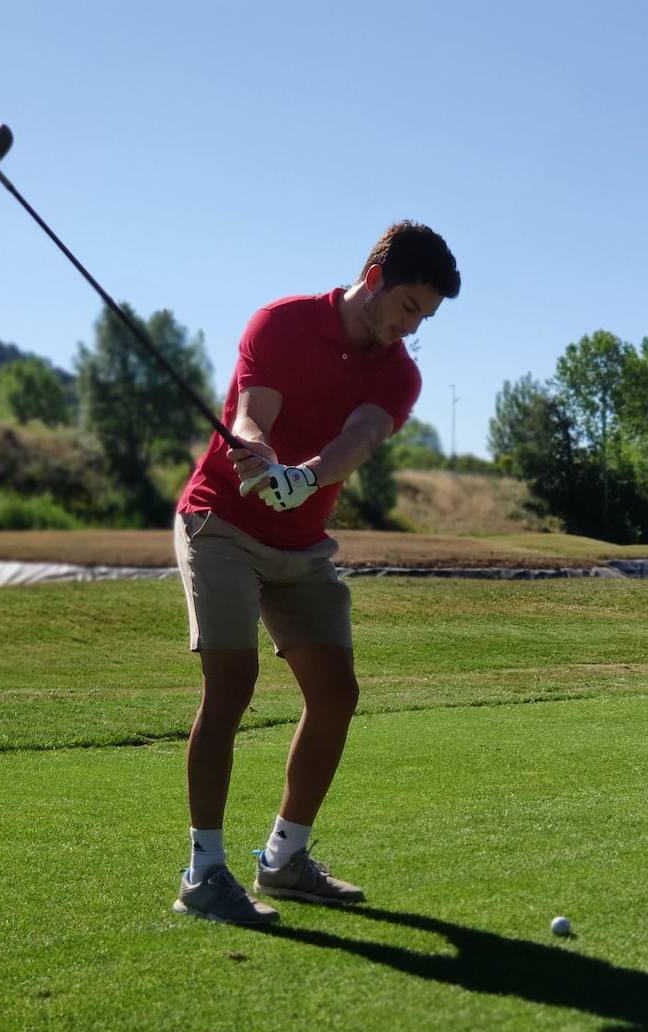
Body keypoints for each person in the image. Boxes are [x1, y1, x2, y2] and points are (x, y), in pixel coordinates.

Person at [172, 222, 460, 926]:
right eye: (408, 306)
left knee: (335, 692)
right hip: (222, 526)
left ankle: (284, 860)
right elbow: (248, 417)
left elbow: (358, 438)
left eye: (425, 316)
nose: (411, 326)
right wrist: (258, 456)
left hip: (301, 544)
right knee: (232, 683)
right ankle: (204, 873)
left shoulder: (399, 371)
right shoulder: (281, 322)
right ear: (374, 277)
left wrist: (305, 478)